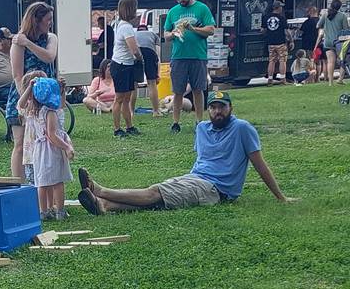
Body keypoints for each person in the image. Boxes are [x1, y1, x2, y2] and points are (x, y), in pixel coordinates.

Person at [76, 90, 296, 215]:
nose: (217, 112)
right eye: (213, 107)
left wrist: (281, 197)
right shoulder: (202, 128)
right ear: (208, 109)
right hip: (195, 178)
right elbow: (201, 160)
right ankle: (104, 205)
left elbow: (260, 164)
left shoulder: (242, 129)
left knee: (155, 192)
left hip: (216, 189)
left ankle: (100, 190)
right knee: (159, 200)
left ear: (231, 108)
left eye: (222, 107)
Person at [7, 2, 58, 178]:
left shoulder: (50, 38)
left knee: (45, 140)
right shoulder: (17, 43)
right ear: (36, 20)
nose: (50, 23)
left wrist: (28, 43)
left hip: (46, 96)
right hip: (24, 94)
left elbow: (49, 56)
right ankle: (19, 184)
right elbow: (17, 74)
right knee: (20, 143)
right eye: (48, 19)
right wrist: (27, 100)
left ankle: (43, 182)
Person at [164, 0, 216, 132]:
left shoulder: (202, 8)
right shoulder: (173, 11)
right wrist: (172, 34)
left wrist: (193, 28)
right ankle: (175, 122)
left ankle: (199, 121)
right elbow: (166, 34)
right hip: (178, 56)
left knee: (198, 89)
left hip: (197, 55)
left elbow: (211, 30)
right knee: (178, 90)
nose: (180, 1)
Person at [27, 77, 74, 220]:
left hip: (39, 150)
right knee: (57, 181)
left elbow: (61, 105)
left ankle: (44, 211)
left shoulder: (35, 110)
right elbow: (52, 135)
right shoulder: (50, 113)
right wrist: (67, 147)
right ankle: (60, 211)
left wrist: (62, 90)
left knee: (42, 182)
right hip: (51, 151)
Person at [110, 0, 142, 138]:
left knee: (127, 98)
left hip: (125, 64)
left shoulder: (121, 24)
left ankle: (129, 126)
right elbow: (134, 50)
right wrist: (140, 58)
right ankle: (117, 129)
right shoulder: (127, 27)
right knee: (120, 98)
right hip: (121, 65)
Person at [17, 70, 45, 186]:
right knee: (33, 181)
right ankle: (36, 201)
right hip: (31, 153)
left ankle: (49, 201)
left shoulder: (48, 106)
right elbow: (20, 105)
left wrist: (62, 90)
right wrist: (30, 87)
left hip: (45, 151)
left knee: (47, 179)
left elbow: (61, 106)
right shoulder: (29, 108)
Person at [315, 0, 350, 86]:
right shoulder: (342, 16)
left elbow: (318, 25)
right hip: (339, 42)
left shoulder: (325, 14)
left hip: (328, 41)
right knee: (343, 60)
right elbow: (346, 29)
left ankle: (330, 82)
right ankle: (340, 79)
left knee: (330, 61)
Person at [134, 24, 161, 116]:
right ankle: (156, 111)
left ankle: (131, 111)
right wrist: (157, 74)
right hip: (150, 52)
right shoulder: (153, 34)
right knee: (152, 83)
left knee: (134, 84)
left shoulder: (133, 34)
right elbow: (158, 53)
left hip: (136, 52)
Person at [263, 0, 289, 85]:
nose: (282, 8)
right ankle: (283, 79)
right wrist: (291, 40)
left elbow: (263, 30)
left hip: (270, 42)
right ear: (278, 8)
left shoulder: (266, 17)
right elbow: (286, 31)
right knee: (282, 60)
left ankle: (270, 79)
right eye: (281, 7)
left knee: (271, 61)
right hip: (280, 42)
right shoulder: (282, 18)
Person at [300, 6, 322, 81]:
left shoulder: (307, 22)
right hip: (319, 44)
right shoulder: (320, 21)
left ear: (310, 12)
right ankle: (317, 78)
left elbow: (301, 32)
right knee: (318, 61)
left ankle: (312, 78)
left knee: (311, 60)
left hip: (309, 44)